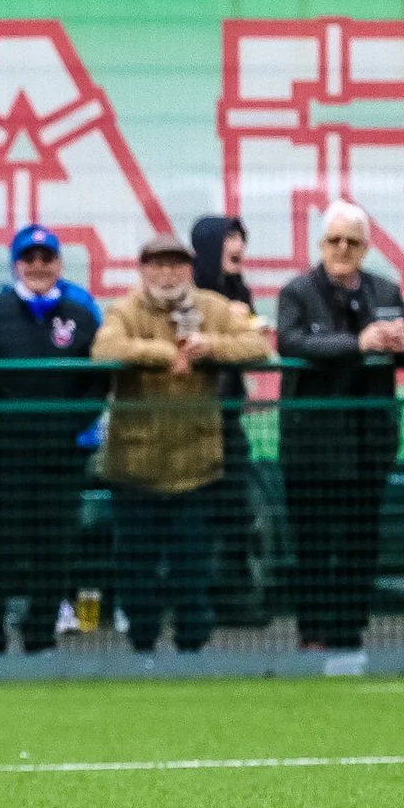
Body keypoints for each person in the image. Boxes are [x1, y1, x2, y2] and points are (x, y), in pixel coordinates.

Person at [91, 234, 269, 654]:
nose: (167, 273)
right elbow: (104, 349)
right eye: (158, 265)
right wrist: (162, 353)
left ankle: (193, 651)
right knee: (137, 568)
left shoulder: (211, 306)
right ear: (143, 269)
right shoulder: (125, 308)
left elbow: (258, 344)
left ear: (189, 269)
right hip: (135, 467)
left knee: (192, 568)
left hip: (196, 465)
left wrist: (211, 347)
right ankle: (142, 646)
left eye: (176, 265)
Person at [274, 201, 404, 652]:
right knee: (314, 542)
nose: (342, 249)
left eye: (352, 242)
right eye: (334, 240)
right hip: (312, 445)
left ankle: (349, 629)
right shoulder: (297, 291)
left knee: (361, 541)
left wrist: (403, 342)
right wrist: (357, 343)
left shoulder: (384, 291)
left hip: (368, 442)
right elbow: (291, 340)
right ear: (321, 244)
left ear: (366, 247)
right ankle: (313, 631)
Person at [0, 227, 105, 655]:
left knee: (54, 546)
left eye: (47, 258)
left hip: (61, 456)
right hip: (5, 453)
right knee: (0, 546)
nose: (39, 266)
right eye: (30, 258)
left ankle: (41, 633)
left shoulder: (80, 315)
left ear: (59, 264)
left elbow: (96, 383)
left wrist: (68, 426)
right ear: (16, 264)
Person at [190, 216, 264, 620]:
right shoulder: (187, 296)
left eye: (240, 236)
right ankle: (196, 602)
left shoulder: (240, 291)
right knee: (196, 511)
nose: (237, 245)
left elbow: (255, 348)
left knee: (237, 506)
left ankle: (235, 597)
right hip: (190, 422)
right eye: (229, 237)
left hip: (228, 419)